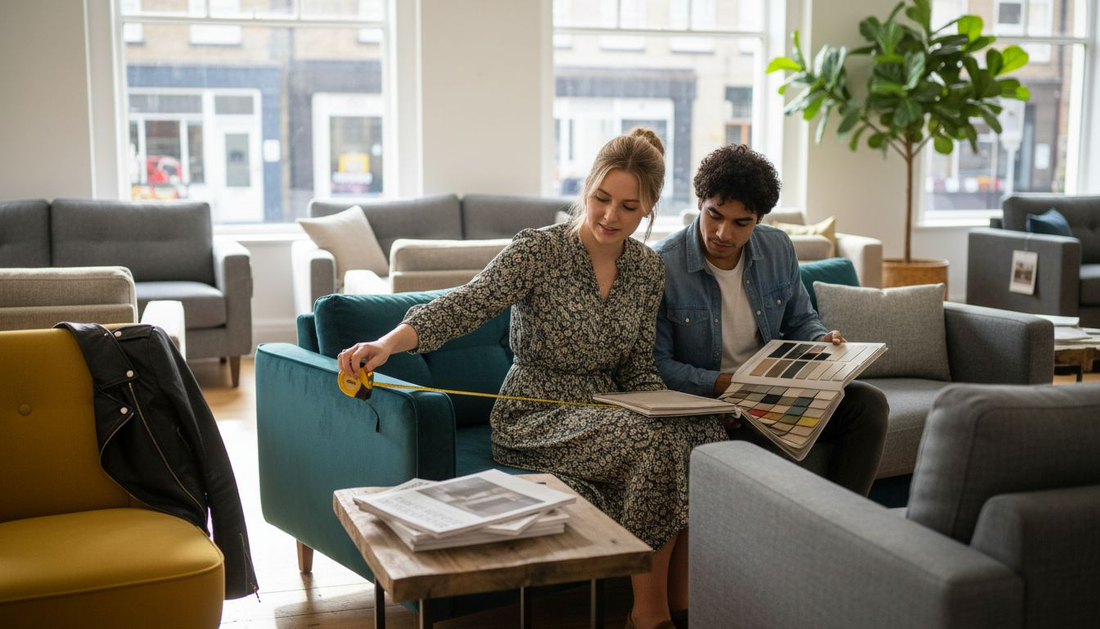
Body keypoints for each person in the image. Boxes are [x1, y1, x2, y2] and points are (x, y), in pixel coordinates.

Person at [338, 129, 725, 629]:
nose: (610, 216)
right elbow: (464, 304)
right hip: (535, 414)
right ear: (586, 188)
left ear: (649, 209)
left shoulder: (647, 270)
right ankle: (648, 616)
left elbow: (636, 370)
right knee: (655, 445)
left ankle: (684, 605)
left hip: (607, 409)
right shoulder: (538, 252)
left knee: (704, 437)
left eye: (629, 207)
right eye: (601, 198)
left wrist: (676, 408)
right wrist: (387, 344)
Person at [653, 144, 888, 496]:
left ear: (759, 219)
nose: (723, 234)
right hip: (713, 404)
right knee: (753, 442)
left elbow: (801, 321)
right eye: (715, 215)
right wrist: (725, 385)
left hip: (774, 394)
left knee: (867, 404)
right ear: (700, 202)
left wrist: (821, 341)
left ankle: (844, 522)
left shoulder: (778, 248)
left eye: (740, 223)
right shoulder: (663, 266)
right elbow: (658, 366)